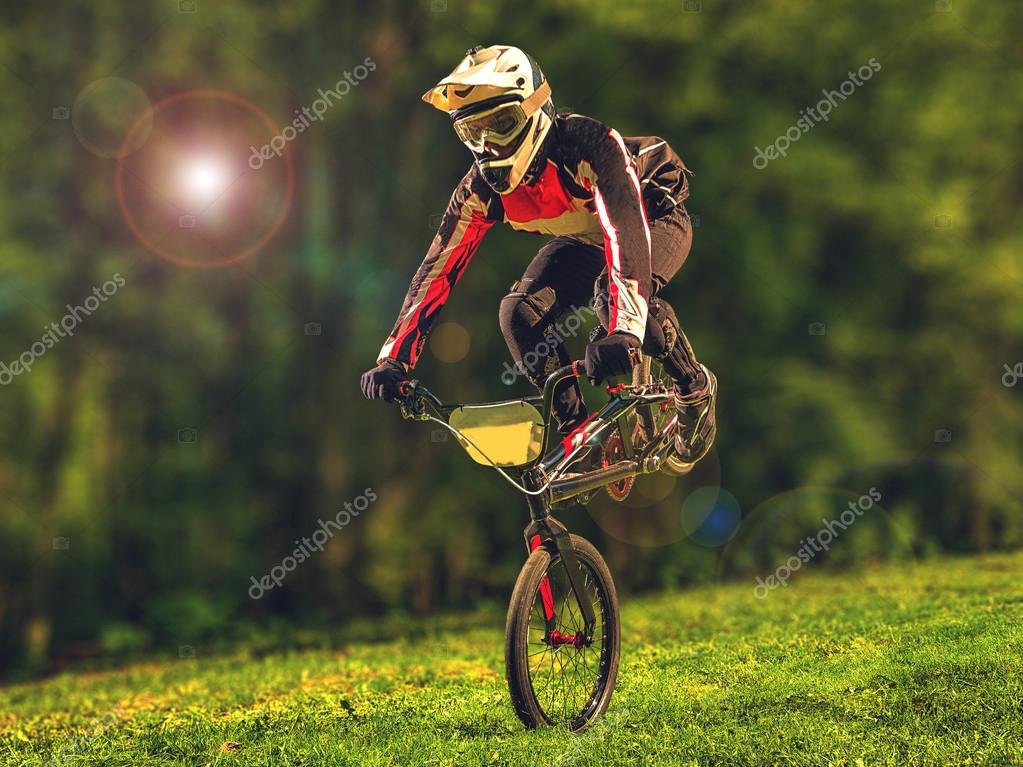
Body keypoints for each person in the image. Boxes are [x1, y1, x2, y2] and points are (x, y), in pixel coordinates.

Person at [360, 44, 716, 467]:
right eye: (473, 133)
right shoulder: (479, 190)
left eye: (501, 125)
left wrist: (625, 329)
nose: (489, 146)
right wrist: (395, 358)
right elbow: (437, 270)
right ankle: (580, 435)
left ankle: (693, 388)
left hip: (653, 213)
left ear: (535, 110)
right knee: (518, 312)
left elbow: (624, 227)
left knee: (614, 300)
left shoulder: (588, 144)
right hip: (588, 237)